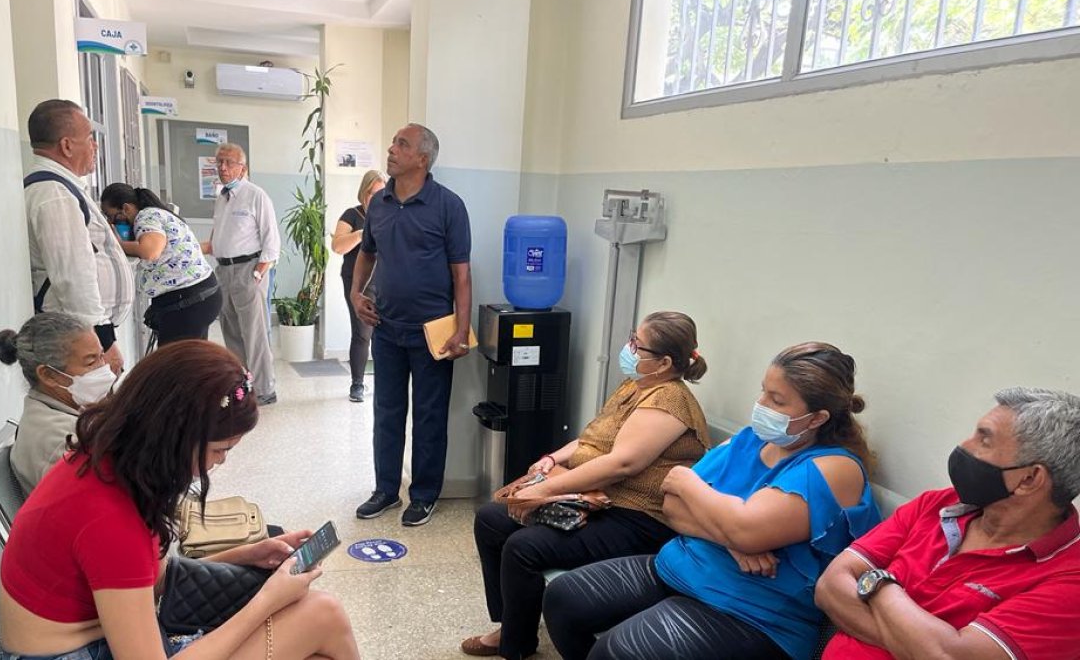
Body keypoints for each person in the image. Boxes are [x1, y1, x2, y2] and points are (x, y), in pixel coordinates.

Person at [0, 340, 359, 659]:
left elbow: (142, 578)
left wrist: (246, 555)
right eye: (220, 449)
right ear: (174, 436)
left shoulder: (109, 462)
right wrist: (268, 602)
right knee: (322, 615)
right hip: (78, 653)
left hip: (93, 642)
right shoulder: (111, 516)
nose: (220, 462)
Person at [543, 342, 882, 660]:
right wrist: (729, 536)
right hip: (682, 567)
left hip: (751, 611)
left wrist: (686, 481)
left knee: (618, 651)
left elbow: (742, 527)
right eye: (763, 391)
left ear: (818, 417)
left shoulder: (835, 467)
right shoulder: (750, 439)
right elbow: (671, 506)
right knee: (564, 599)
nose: (762, 405)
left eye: (777, 401)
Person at [462, 312, 711, 659]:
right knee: (491, 519)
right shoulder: (635, 386)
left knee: (524, 547)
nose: (630, 348)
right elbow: (592, 440)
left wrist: (544, 490)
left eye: (638, 345)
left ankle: (515, 647)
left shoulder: (669, 401)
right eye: (632, 337)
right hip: (599, 499)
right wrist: (551, 460)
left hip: (638, 517)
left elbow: (623, 462)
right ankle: (511, 625)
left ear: (665, 362)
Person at [815, 387, 1080, 660]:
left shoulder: (1070, 581)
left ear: (1029, 480)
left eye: (984, 441)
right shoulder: (939, 504)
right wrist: (920, 647)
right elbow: (829, 587)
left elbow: (952, 657)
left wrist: (876, 583)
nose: (965, 446)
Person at [352, 124, 472, 527]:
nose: (391, 148)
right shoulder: (380, 204)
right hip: (386, 327)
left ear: (422, 158)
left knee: (429, 415)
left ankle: (422, 495)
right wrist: (356, 294)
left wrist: (461, 329)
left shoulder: (448, 206)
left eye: (401, 144)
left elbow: (462, 275)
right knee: (386, 411)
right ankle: (386, 490)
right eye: (393, 142)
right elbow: (366, 254)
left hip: (433, 332)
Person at [24, 99, 133, 375]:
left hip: (83, 334)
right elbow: (74, 277)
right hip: (78, 340)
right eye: (89, 138)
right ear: (67, 146)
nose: (95, 146)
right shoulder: (53, 194)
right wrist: (103, 343)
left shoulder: (63, 188)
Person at [0, 312, 113, 493]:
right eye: (90, 362)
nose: (103, 368)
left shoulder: (59, 412)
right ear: (49, 376)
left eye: (101, 356)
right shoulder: (61, 441)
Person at [200, 143, 279, 405]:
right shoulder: (221, 197)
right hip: (224, 269)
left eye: (229, 162)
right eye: (219, 162)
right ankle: (243, 386)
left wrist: (257, 274)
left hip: (249, 270)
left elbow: (271, 241)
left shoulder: (256, 195)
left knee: (254, 334)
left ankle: (265, 389)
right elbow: (218, 236)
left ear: (242, 167)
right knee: (231, 332)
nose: (222, 167)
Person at [100, 183, 221, 345]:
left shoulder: (146, 217)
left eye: (112, 217)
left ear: (126, 208)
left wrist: (116, 243)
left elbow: (150, 251)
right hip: (200, 295)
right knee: (190, 362)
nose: (112, 223)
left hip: (189, 301)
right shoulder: (157, 214)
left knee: (173, 364)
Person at [330, 170, 385, 402]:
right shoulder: (352, 215)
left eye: (381, 193)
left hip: (385, 281)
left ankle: (384, 383)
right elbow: (338, 246)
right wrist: (363, 233)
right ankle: (357, 384)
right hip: (358, 282)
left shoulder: (391, 215)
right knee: (362, 331)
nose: (377, 197)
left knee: (383, 333)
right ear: (364, 193)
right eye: (373, 193)